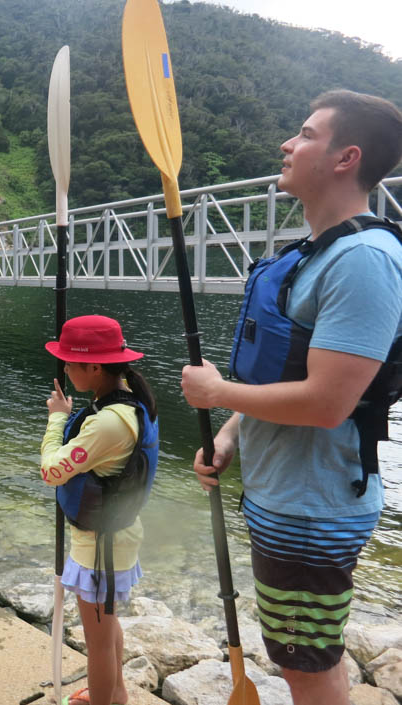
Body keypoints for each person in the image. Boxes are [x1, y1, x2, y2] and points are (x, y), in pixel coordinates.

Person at [181, 90, 402, 705]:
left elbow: (328, 402)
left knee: (306, 663)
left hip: (314, 510)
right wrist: (228, 432)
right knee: (297, 653)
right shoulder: (317, 253)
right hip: (286, 497)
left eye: (305, 133)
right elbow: (280, 382)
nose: (286, 144)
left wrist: (216, 390)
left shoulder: (363, 260)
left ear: (344, 157)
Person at [40, 315, 159, 705]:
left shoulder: (109, 423)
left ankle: (105, 698)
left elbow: (51, 471)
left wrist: (57, 417)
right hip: (115, 536)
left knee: (98, 645)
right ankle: (117, 694)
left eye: (69, 362)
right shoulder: (132, 403)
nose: (65, 369)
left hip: (100, 550)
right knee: (107, 630)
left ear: (94, 366)